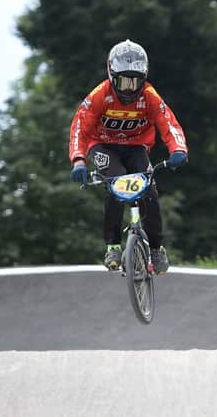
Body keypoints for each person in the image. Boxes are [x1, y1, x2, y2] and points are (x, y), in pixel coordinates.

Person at [68, 39, 188, 274]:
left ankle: (156, 248)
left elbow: (169, 124)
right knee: (116, 184)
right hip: (103, 146)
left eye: (135, 81)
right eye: (123, 81)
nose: (129, 88)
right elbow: (79, 128)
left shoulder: (150, 95)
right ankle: (112, 246)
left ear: (144, 78)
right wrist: (79, 159)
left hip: (137, 147)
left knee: (149, 191)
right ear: (112, 76)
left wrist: (179, 149)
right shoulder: (99, 96)